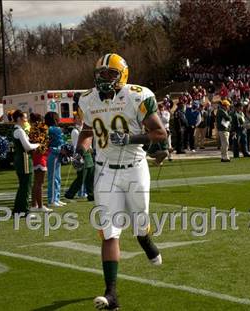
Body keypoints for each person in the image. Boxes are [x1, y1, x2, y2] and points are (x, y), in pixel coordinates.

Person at [75, 53, 166, 310]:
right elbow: (87, 132)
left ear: (122, 75)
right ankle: (111, 294)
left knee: (140, 222)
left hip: (135, 167)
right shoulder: (87, 100)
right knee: (109, 232)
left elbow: (159, 133)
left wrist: (129, 139)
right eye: (101, 74)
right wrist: (80, 150)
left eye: (110, 74)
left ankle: (145, 240)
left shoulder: (137, 95)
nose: (104, 79)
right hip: (105, 171)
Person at [12, 110, 39, 215]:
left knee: (23, 186)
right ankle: (24, 209)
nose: (26, 120)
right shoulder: (19, 131)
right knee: (26, 186)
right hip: (25, 160)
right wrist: (38, 144)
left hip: (22, 160)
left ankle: (18, 209)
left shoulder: (19, 130)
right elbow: (27, 147)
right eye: (24, 118)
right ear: (19, 119)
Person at [65, 114, 94, 201]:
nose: (80, 119)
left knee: (90, 175)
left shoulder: (84, 128)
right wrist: (78, 156)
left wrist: (91, 149)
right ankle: (70, 194)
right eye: (78, 118)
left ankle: (91, 194)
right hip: (80, 153)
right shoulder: (75, 131)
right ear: (74, 120)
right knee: (81, 176)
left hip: (88, 153)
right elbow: (75, 144)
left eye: (81, 118)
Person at [29, 113, 51, 212]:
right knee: (40, 182)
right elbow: (45, 141)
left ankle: (34, 205)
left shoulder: (32, 128)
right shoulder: (41, 127)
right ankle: (41, 206)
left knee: (36, 182)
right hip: (41, 155)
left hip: (36, 155)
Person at [45, 111, 66, 207]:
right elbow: (60, 143)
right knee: (54, 178)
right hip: (54, 154)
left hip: (53, 154)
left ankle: (56, 198)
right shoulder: (55, 129)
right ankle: (52, 199)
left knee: (56, 178)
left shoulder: (48, 129)